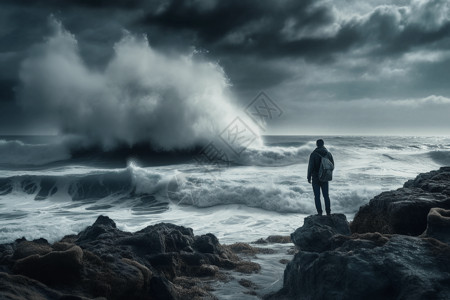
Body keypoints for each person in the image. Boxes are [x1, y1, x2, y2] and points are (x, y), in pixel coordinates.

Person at [307, 139, 334, 216]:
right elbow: (332, 166)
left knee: (317, 196)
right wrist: (327, 173)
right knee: (326, 196)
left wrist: (308, 177)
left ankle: (319, 213)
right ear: (323, 144)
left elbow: (310, 167)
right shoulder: (328, 154)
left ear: (316, 145)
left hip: (315, 178)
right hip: (325, 177)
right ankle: (328, 212)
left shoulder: (313, 154)